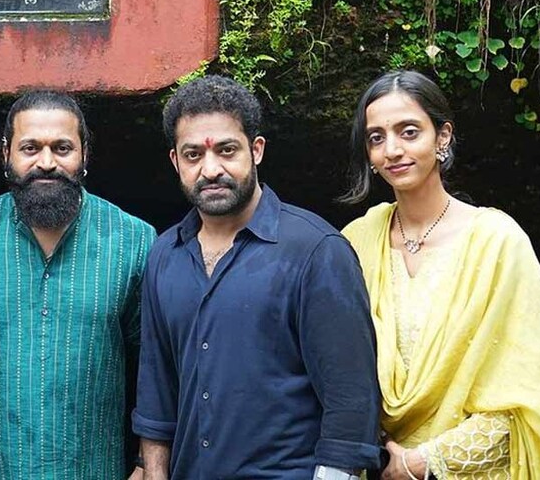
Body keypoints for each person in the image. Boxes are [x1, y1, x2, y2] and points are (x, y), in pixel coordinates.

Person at [338, 70, 540, 480]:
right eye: (376, 137)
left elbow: (532, 399)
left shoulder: (496, 242)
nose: (392, 149)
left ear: (443, 137)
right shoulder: (355, 243)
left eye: (409, 131)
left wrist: (424, 461)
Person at [133, 75, 383, 480]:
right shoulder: (165, 255)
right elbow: (157, 395)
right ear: (175, 162)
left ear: (257, 150)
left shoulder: (315, 250)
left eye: (227, 150)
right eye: (193, 154)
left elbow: (351, 405)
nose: (210, 169)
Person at [0, 91, 156, 479]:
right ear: (6, 154)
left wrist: (145, 463)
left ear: (85, 154)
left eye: (62, 148)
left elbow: (160, 364)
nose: (46, 163)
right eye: (30, 148)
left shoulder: (134, 241)